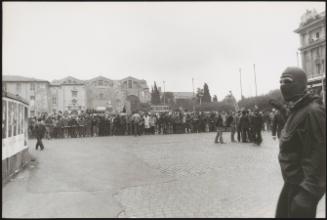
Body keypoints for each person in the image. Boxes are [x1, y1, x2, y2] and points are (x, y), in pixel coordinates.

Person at [275, 67, 326, 218]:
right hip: (291, 184)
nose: (283, 85)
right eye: (281, 81)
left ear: (300, 83)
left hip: (302, 188)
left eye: (288, 81)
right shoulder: (297, 109)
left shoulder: (313, 111)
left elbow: (319, 155)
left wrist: (307, 194)